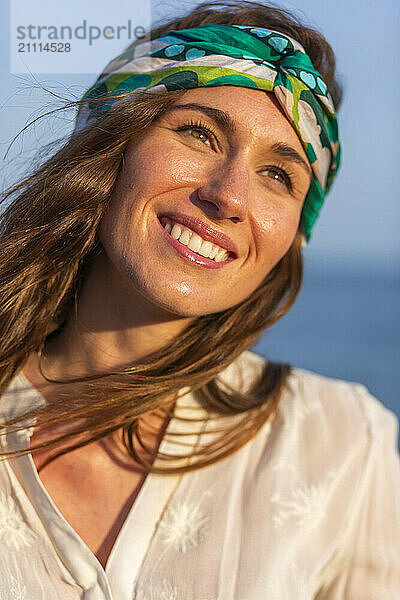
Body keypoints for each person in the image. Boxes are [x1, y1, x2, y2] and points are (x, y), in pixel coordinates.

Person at [0, 1, 399, 598]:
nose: (230, 195)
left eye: (278, 175)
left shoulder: (341, 448)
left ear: (294, 231)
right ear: (111, 146)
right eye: (199, 133)